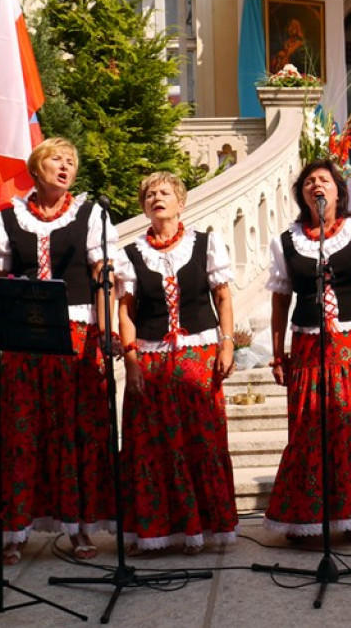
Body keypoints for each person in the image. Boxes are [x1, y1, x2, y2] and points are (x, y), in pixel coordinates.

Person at [0, 138, 117, 564]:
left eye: (71, 161)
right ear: (36, 166)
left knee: (77, 430)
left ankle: (81, 529)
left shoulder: (91, 214)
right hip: (22, 337)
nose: (65, 166)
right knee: (20, 433)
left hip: (77, 335)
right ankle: (14, 530)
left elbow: (103, 279)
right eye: (56, 159)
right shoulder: (8, 218)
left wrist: (106, 333)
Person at [264, 159, 351, 543]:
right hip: (309, 345)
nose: (316, 185)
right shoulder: (287, 241)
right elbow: (279, 302)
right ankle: (309, 518)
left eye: (324, 180)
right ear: (302, 195)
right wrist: (278, 355)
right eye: (309, 182)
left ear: (339, 191)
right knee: (312, 431)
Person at [116, 172, 239, 553]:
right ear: (143, 207)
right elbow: (126, 311)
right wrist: (132, 360)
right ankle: (156, 530)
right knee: (151, 446)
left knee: (202, 441)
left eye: (165, 192)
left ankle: (205, 527)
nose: (157, 198)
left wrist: (227, 343)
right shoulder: (131, 253)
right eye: (150, 194)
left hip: (199, 356)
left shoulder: (205, 244)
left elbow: (223, 299)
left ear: (181, 202)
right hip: (151, 360)